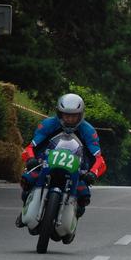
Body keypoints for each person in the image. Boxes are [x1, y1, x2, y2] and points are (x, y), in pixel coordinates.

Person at [16, 93, 106, 226]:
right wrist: (31, 159)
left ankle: (72, 218)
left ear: (80, 115)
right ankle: (26, 209)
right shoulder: (48, 124)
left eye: (74, 115)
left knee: (84, 196)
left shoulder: (88, 130)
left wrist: (92, 173)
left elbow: (98, 158)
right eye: (66, 115)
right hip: (46, 162)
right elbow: (31, 146)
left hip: (77, 168)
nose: (70, 119)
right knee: (28, 179)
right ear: (59, 113)